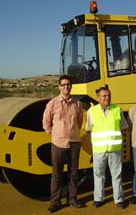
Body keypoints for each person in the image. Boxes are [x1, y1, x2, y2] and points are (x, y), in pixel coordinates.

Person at [42, 75, 84, 213]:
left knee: (73, 173)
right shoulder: (52, 104)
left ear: (71, 86)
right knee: (57, 174)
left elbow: (79, 121)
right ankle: (55, 202)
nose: (66, 87)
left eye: (68, 84)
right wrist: (55, 134)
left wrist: (72, 133)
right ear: (59, 87)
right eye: (63, 85)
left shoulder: (77, 104)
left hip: (74, 143)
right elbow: (46, 123)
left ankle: (72, 198)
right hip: (58, 144)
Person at [86, 87, 128, 210]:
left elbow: (124, 127)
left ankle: (119, 199)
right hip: (99, 150)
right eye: (104, 96)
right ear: (98, 98)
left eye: (108, 95)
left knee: (117, 175)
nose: (107, 98)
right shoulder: (91, 112)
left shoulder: (117, 110)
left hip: (114, 149)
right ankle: (98, 199)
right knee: (98, 175)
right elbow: (89, 129)